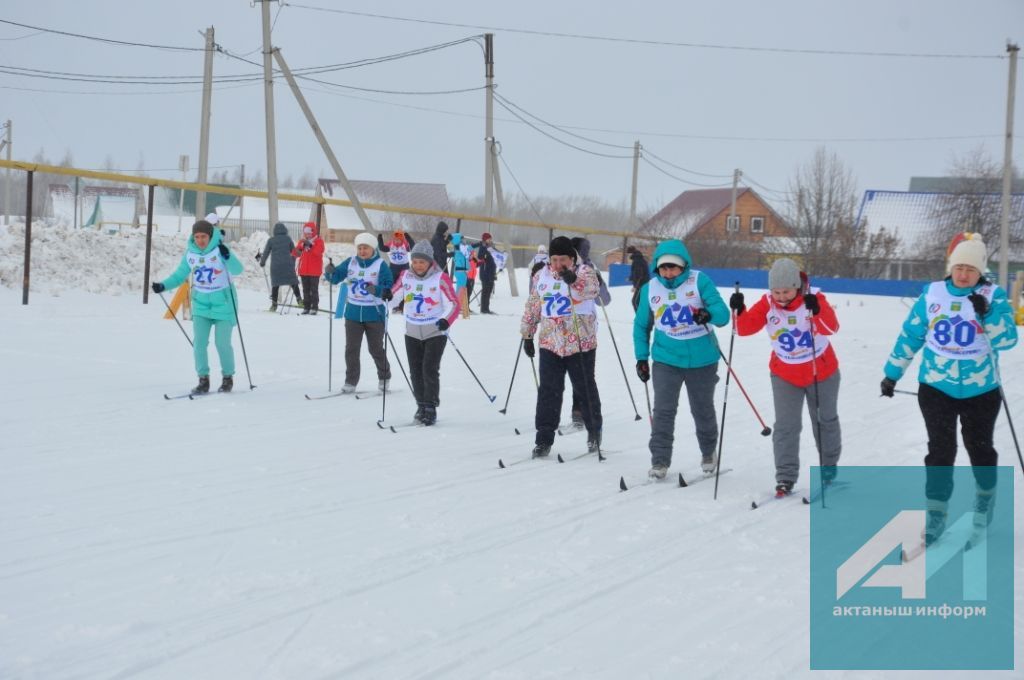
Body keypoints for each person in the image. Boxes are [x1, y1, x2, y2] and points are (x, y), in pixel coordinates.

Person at [880, 233, 1018, 545]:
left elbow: (1008, 340)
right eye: (959, 267)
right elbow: (910, 335)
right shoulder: (933, 294)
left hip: (980, 389)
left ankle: (984, 501)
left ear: (980, 270)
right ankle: (936, 514)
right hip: (936, 386)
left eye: (971, 268)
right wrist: (892, 374)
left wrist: (989, 312)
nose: (964, 273)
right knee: (940, 450)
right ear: (951, 267)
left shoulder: (992, 295)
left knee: (979, 448)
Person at [732, 258, 842, 496]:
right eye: (776, 292)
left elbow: (831, 329)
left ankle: (828, 470)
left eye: (786, 291)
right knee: (786, 427)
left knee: (825, 421)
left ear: (797, 287)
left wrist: (818, 309)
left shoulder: (815, 298)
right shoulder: (767, 304)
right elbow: (742, 329)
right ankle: (785, 477)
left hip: (820, 371)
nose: (781, 297)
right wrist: (738, 309)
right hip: (785, 374)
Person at [634, 239, 728, 479]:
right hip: (666, 358)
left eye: (673, 267)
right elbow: (642, 325)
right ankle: (660, 460)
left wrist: (708, 314)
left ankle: (708, 452)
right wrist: (641, 358)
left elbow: (723, 314)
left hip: (702, 359)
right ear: (657, 267)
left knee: (702, 409)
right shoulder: (650, 289)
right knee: (664, 410)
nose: (668, 272)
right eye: (663, 267)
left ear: (683, 265)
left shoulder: (699, 281)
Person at [521, 236, 603, 456]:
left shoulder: (585, 271)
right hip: (550, 343)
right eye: (554, 259)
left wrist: (573, 279)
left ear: (572, 258)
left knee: (584, 389)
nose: (558, 265)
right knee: (548, 391)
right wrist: (528, 334)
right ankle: (543, 439)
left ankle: (594, 432)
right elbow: (533, 305)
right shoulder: (541, 275)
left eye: (563, 260)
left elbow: (593, 290)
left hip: (580, 344)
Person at [152, 220, 244, 394]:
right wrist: (163, 286)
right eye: (197, 237)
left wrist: (228, 256)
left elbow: (238, 270)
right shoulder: (190, 254)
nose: (200, 240)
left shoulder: (220, 251)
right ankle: (203, 380)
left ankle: (227, 378)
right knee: (199, 343)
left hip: (223, 304)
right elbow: (179, 275)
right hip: (201, 305)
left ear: (210, 236)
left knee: (222, 343)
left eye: (204, 236)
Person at [389, 241, 461, 425]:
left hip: (434, 331)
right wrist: (387, 296)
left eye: (422, 262)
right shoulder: (406, 276)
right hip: (412, 330)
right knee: (415, 371)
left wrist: (446, 320)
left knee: (429, 369)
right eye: (415, 261)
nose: (418, 265)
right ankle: (420, 404)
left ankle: (430, 406)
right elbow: (395, 295)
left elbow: (454, 303)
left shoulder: (440, 278)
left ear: (430, 262)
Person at [325, 232, 394, 393]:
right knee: (351, 349)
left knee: (375, 348)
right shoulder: (351, 262)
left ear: (373, 249)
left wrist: (376, 289)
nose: (362, 251)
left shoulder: (380, 265)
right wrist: (330, 271)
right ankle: (350, 381)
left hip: (374, 314)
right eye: (360, 248)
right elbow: (335, 278)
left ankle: (384, 377)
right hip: (353, 313)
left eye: (366, 248)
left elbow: (388, 286)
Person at [258, 222, 301, 312]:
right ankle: (299, 300)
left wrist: (262, 262)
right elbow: (294, 251)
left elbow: (266, 252)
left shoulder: (271, 240)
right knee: (293, 283)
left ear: (275, 231)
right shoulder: (288, 239)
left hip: (276, 266)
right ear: (285, 230)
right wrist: (300, 254)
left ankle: (274, 305)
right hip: (287, 265)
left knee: (275, 285)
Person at [377, 229, 415, 313]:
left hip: (404, 267)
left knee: (405, 286)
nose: (397, 241)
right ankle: (387, 302)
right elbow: (382, 248)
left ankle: (403, 305)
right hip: (393, 267)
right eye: (396, 239)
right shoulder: (391, 244)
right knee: (390, 285)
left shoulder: (405, 244)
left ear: (402, 239)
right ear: (393, 239)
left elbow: (413, 247)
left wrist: (408, 238)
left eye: (399, 239)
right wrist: (380, 239)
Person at [292, 222, 325, 315]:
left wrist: (310, 246)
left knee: (313, 289)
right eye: (305, 232)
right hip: (304, 270)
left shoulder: (318, 241)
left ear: (313, 232)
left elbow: (318, 252)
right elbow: (295, 253)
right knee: (305, 289)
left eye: (309, 232)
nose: (307, 234)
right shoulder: (302, 241)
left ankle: (314, 307)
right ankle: (306, 307)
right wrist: (299, 248)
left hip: (314, 271)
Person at [450, 233, 471, 319]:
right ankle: (457, 306)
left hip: (462, 271)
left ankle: (459, 305)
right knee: (460, 289)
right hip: (460, 270)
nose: (464, 241)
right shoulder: (459, 249)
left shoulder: (461, 249)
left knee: (461, 288)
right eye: (462, 239)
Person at [476, 232, 498, 314]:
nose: (490, 240)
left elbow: (497, 255)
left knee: (489, 291)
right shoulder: (483, 247)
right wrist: (487, 254)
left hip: (491, 272)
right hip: (485, 273)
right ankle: (483, 309)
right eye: (489, 239)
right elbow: (480, 257)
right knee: (485, 291)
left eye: (490, 239)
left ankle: (487, 308)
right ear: (485, 239)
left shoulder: (492, 246)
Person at [627, 245, 651, 311]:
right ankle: (642, 318)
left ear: (631, 253)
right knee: (639, 302)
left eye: (627, 254)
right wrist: (631, 278)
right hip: (643, 284)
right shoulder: (639, 259)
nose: (627, 257)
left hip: (642, 285)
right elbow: (637, 273)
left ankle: (640, 319)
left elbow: (639, 275)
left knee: (635, 302)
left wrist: (635, 286)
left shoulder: (637, 261)